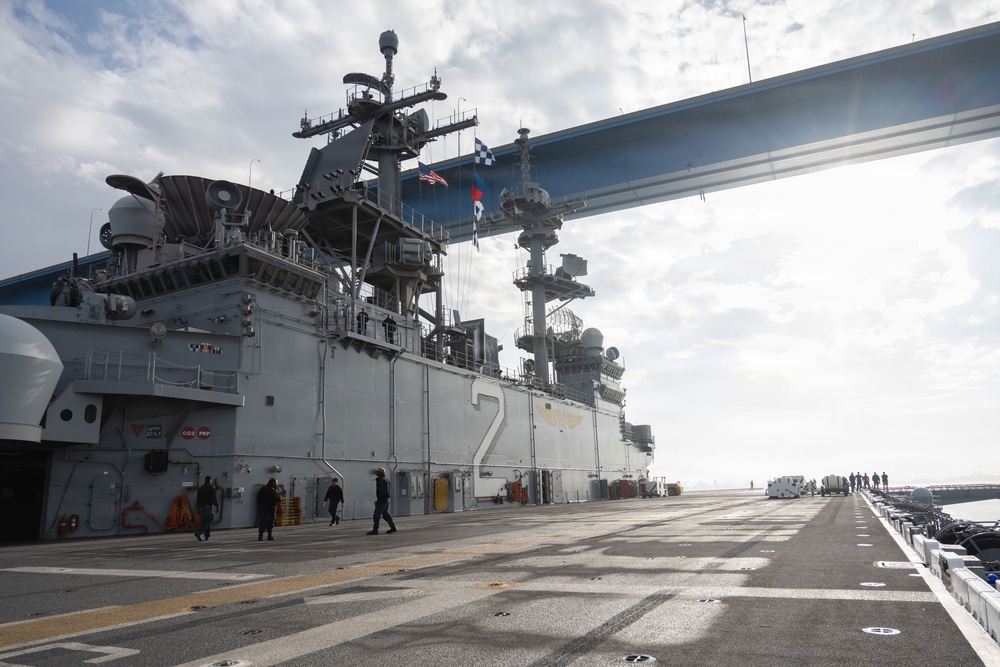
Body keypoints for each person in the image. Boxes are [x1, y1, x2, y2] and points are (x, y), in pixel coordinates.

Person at [367, 466, 396, 535]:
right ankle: (393, 527)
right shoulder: (386, 479)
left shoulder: (381, 480)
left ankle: (375, 529)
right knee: (385, 514)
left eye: (377, 471)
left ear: (380, 472)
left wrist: (379, 500)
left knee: (376, 515)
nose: (376, 472)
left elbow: (381, 492)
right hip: (386, 499)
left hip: (382, 500)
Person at [193, 476, 218, 542]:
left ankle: (207, 536)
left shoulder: (200, 488)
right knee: (210, 518)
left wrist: (198, 509)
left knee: (205, 521)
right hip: (208, 507)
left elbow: (198, 499)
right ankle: (199, 532)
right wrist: (216, 506)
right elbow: (214, 498)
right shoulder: (212, 487)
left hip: (201, 507)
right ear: (210, 480)